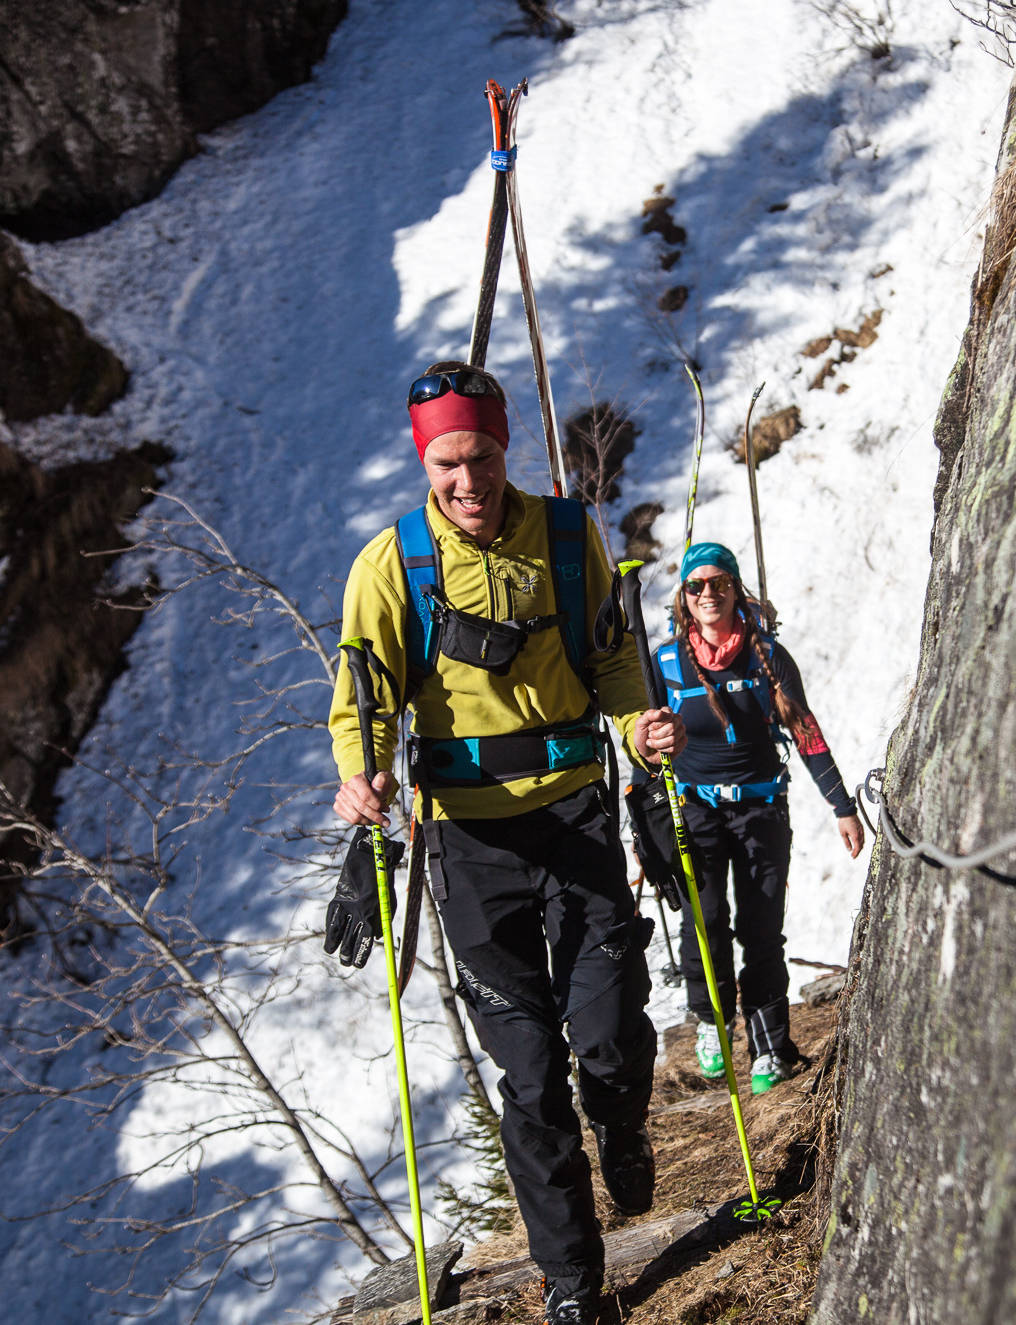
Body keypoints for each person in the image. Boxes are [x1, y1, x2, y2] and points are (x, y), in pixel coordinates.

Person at [328, 360, 686, 1325]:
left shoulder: (570, 537)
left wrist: (637, 724)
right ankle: (575, 1282)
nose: (467, 481)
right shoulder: (392, 567)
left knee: (607, 1037)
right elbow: (361, 699)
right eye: (448, 463)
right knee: (528, 1078)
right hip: (468, 843)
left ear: (504, 447)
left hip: (576, 815)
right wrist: (362, 776)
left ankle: (622, 1120)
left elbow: (613, 653)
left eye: (480, 457)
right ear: (425, 462)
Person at [646, 541, 864, 1094]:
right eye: (697, 586)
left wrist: (841, 804)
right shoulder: (665, 662)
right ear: (684, 598)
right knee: (706, 919)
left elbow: (805, 730)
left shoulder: (768, 655)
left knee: (761, 928)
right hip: (695, 809)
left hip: (762, 807)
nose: (708, 594)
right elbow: (643, 738)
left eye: (719, 583)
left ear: (736, 589)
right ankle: (713, 1024)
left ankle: (770, 1045)